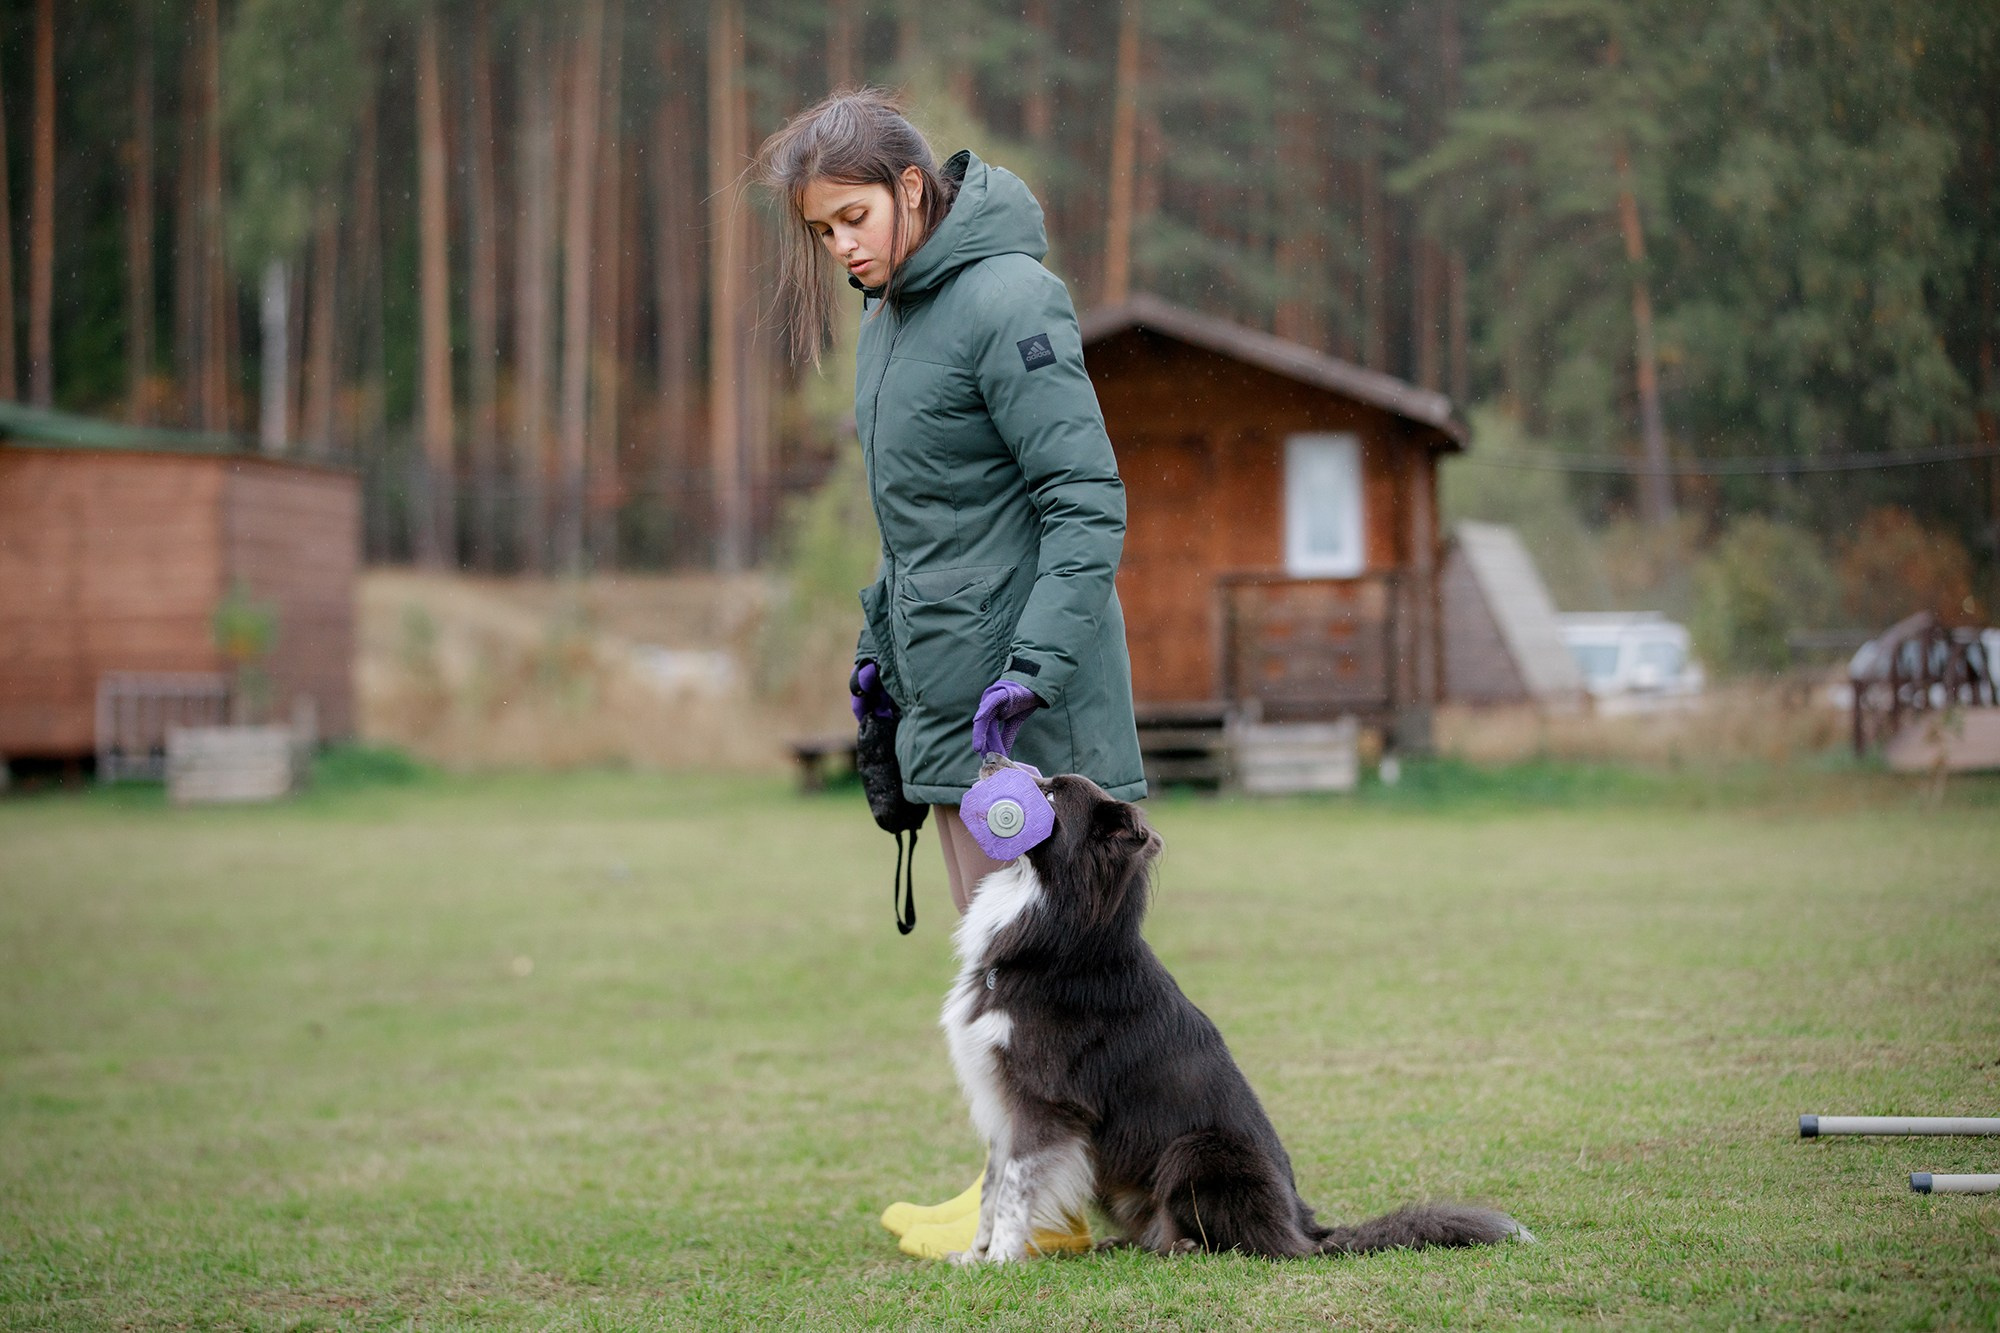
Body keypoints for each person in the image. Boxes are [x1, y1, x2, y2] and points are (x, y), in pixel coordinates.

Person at [758, 89, 1146, 1259]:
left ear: (913, 188)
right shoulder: (891, 321)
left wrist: (1031, 668)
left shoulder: (1010, 299)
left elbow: (1084, 501)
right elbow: (923, 531)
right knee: (1004, 986)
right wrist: (877, 655)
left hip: (1029, 710)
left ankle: (1047, 1209)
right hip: (944, 699)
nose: (841, 247)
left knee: (1047, 985)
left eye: (853, 218)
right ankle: (1015, 1184)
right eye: (822, 231)